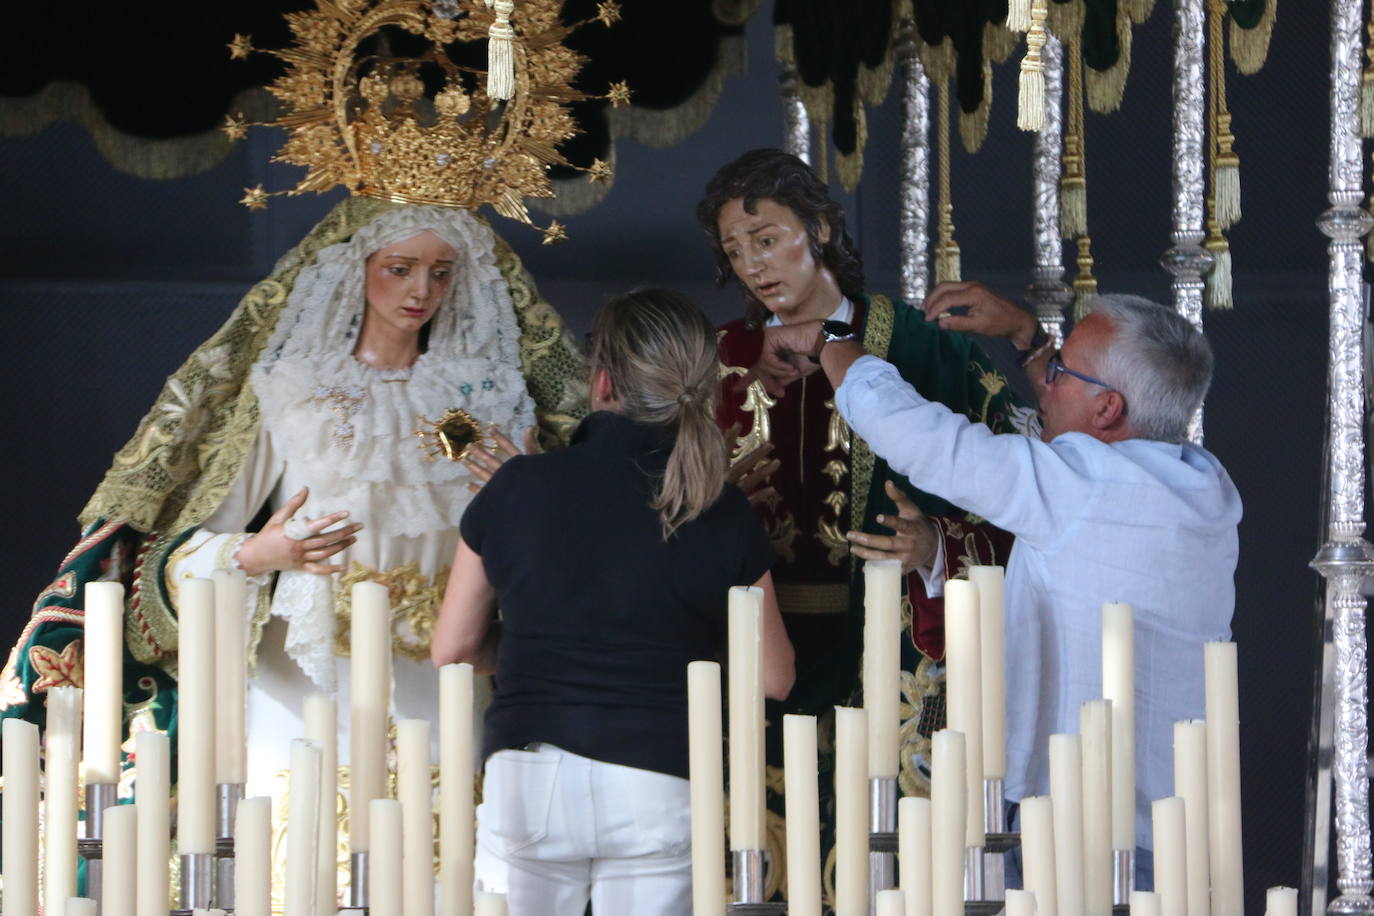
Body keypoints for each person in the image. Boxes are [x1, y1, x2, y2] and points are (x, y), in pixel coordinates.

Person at [0, 197, 588, 807]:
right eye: (400, 268)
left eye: (441, 272)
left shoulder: (486, 403)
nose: (422, 290)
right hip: (306, 683)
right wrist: (259, 554)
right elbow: (182, 551)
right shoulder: (294, 394)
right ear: (355, 267)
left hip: (442, 684)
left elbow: (546, 554)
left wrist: (527, 492)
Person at [765, 291, 1242, 885]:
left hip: (1071, 835)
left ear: (1109, 408)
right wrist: (1027, 338)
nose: (1043, 385)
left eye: (1060, 373)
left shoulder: (1077, 487)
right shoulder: (1207, 487)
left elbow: (919, 436)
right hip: (1173, 832)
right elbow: (1091, 421)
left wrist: (830, 338)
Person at [696, 149, 1036, 890]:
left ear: (818, 228)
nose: (753, 265)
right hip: (756, 666)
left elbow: (1024, 499)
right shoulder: (716, 364)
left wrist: (937, 545)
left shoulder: (923, 348)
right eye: (734, 250)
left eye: (766, 238)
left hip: (887, 661)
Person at [432, 287, 795, 915]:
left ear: (601, 384)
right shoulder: (718, 506)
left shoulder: (517, 486)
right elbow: (774, 677)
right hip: (659, 780)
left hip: (533, 778)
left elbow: (454, 650)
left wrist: (532, 645)